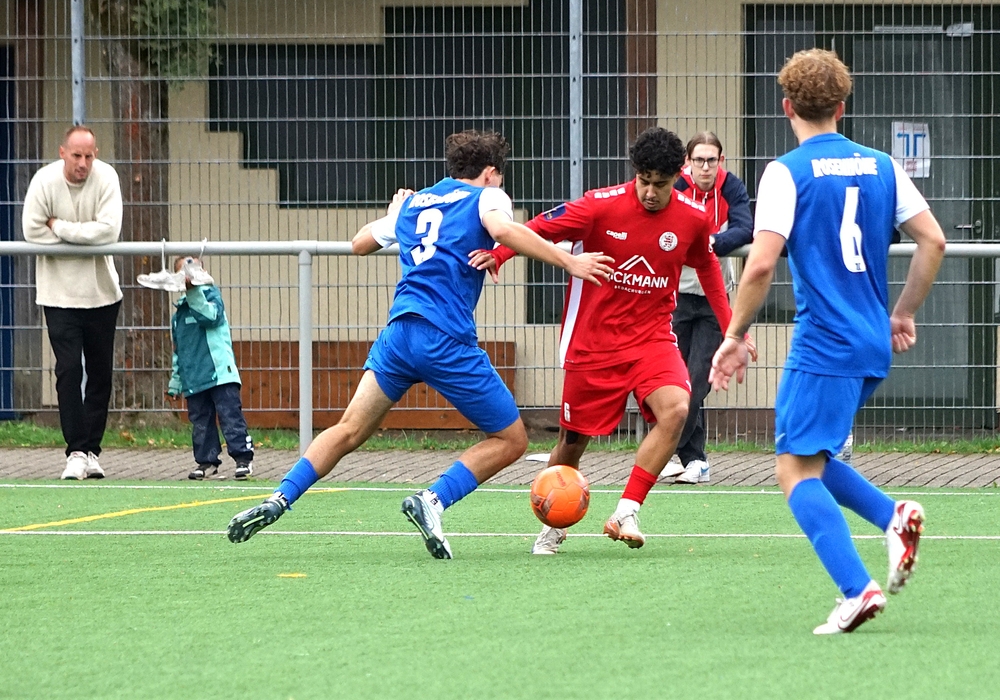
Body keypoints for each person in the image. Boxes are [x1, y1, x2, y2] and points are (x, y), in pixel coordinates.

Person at [226, 129, 613, 558]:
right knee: (511, 440)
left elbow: (359, 244)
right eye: (500, 177)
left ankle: (279, 498)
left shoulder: (415, 203)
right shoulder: (487, 197)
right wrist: (568, 261)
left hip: (399, 334)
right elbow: (503, 229)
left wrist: (394, 214)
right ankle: (432, 500)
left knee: (348, 428)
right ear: (490, 172)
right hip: (445, 338)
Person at [709, 49, 946, 634]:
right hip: (869, 341)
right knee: (811, 455)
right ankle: (894, 516)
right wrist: (903, 313)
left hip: (825, 342)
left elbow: (761, 264)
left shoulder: (785, 171)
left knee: (792, 468)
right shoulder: (883, 165)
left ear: (787, 106)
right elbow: (934, 241)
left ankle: (857, 589)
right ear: (842, 107)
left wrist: (734, 334)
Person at [480, 126, 754, 555]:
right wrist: (499, 254)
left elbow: (708, 271)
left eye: (660, 184)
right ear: (635, 174)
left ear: (677, 175)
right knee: (572, 443)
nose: (650, 192)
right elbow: (537, 227)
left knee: (677, 408)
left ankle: (626, 510)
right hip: (594, 342)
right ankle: (553, 524)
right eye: (644, 181)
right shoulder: (599, 205)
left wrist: (734, 333)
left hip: (652, 338)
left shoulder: (693, 217)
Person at [21, 125, 123, 480]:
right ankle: (76, 451)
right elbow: (31, 230)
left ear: (96, 155)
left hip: (102, 293)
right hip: (58, 294)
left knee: (100, 373)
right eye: (76, 155)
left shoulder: (107, 178)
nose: (83, 163)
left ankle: (92, 451)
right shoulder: (44, 181)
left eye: (89, 156)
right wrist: (84, 237)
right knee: (68, 371)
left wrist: (60, 228)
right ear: (62, 152)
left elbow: (108, 231)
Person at [668, 132, 754, 485]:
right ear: (687, 163)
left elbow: (745, 229)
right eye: (699, 160)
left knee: (696, 382)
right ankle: (693, 459)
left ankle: (669, 449)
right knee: (675, 381)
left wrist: (710, 242)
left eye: (712, 160)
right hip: (676, 297)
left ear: (721, 161)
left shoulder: (731, 187)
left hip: (713, 299)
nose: (705, 167)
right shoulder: (675, 187)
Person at [165, 256, 254, 481]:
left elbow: (210, 317)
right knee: (201, 421)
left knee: (230, 416)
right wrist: (176, 381)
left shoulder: (213, 297)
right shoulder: (179, 314)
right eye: (183, 272)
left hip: (220, 374)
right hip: (194, 379)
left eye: (193, 269)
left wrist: (194, 291)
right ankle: (207, 461)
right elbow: (179, 350)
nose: (189, 275)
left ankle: (243, 458)